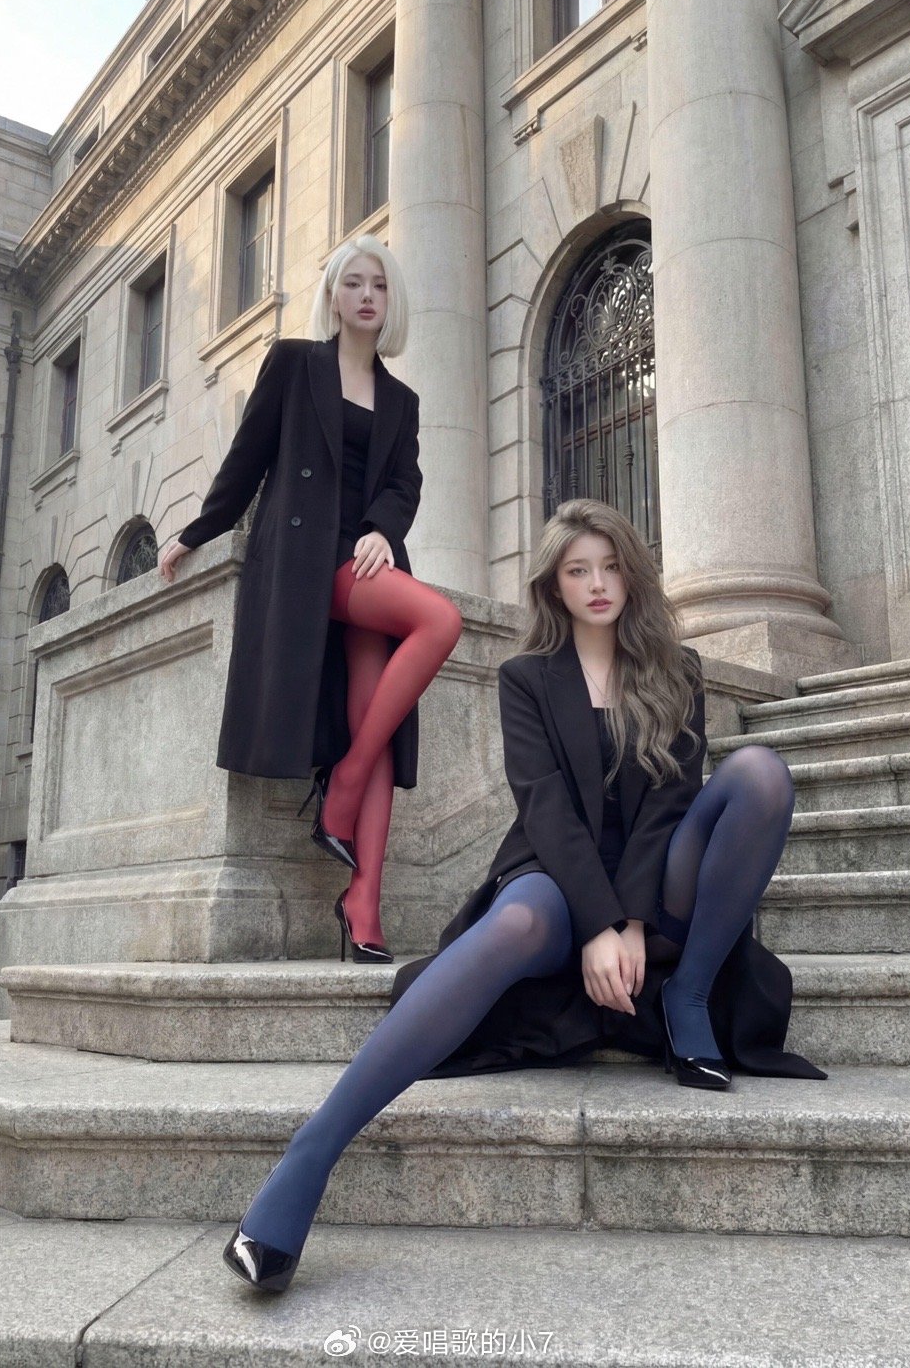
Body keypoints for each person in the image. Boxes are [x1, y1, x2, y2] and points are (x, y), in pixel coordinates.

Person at [221, 496, 826, 1294]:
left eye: (611, 567)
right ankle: (311, 1154)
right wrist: (599, 922)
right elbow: (545, 807)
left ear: (632, 576)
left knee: (761, 774)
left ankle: (689, 995)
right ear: (554, 585)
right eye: (579, 570)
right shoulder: (527, 678)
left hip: (659, 873)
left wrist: (632, 919)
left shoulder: (675, 671)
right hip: (556, 869)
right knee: (518, 920)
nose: (598, 583)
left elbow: (673, 802)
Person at [159, 235, 462, 962]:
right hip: (306, 558)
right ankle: (344, 789)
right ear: (332, 294)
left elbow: (405, 483)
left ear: (391, 300)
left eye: (378, 285)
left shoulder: (403, 401)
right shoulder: (294, 363)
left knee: (375, 718)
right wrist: (198, 530)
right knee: (440, 619)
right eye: (353, 282)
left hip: (366, 557)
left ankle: (363, 903)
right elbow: (249, 456)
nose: (366, 295)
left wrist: (383, 528)